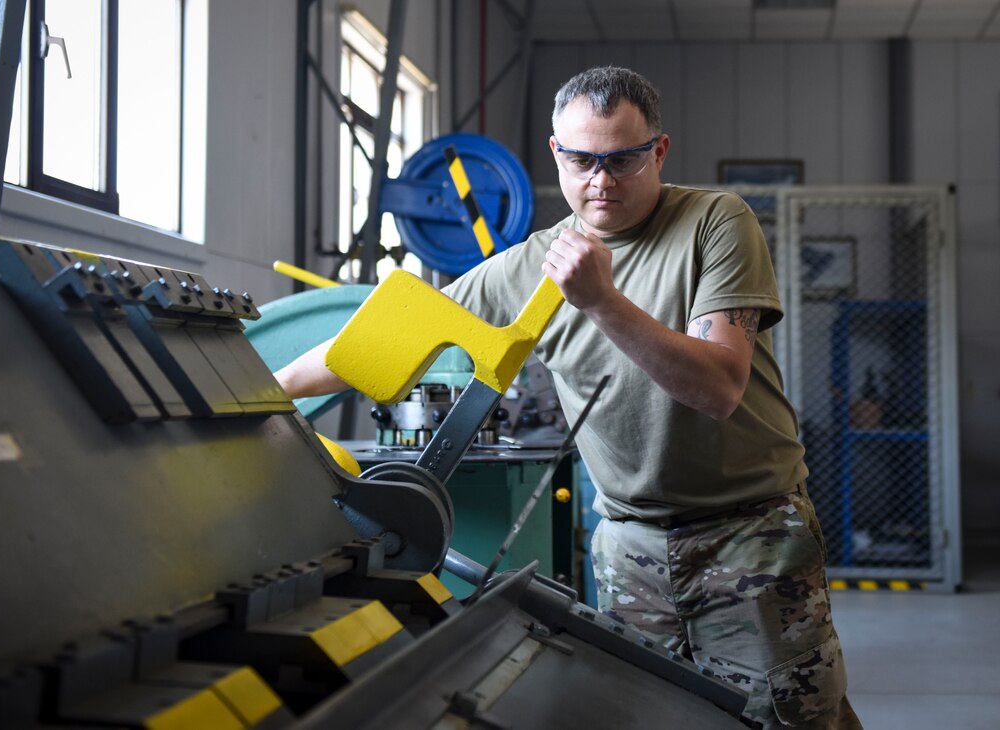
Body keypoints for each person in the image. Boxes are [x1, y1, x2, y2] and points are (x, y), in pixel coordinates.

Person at [276, 65, 860, 729]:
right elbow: (378, 346)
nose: (602, 181)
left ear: (658, 152)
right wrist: (257, 394)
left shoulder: (714, 224)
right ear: (556, 153)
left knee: (789, 719)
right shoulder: (527, 265)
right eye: (582, 160)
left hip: (749, 537)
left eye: (623, 160)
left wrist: (601, 301)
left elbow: (721, 386)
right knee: (657, 718)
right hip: (629, 548)